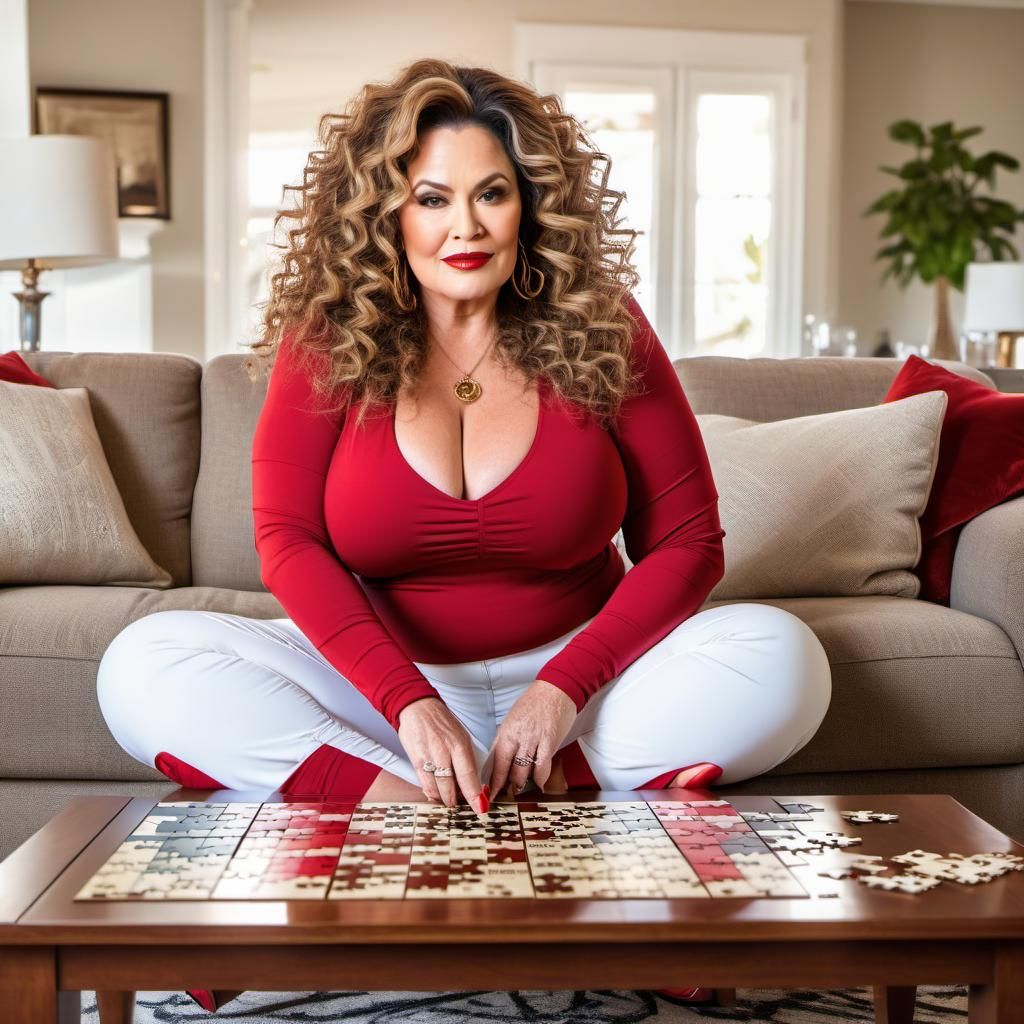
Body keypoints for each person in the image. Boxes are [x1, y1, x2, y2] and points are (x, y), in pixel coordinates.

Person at [96, 58, 832, 1011]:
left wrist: (562, 692)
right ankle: (448, 820)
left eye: (492, 194)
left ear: (532, 204)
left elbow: (690, 541)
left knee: (785, 655)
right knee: (146, 661)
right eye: (432, 197)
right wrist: (408, 701)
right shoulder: (329, 338)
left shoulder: (603, 325)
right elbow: (286, 542)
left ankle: (501, 799)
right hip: (388, 705)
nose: (466, 227)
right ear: (386, 211)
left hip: (578, 692)